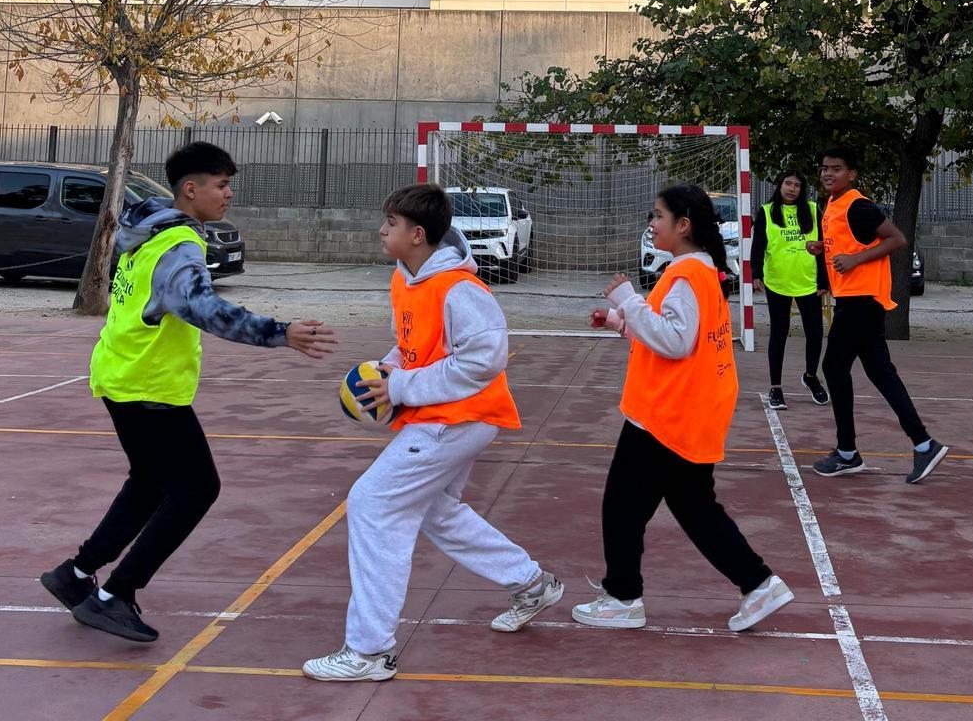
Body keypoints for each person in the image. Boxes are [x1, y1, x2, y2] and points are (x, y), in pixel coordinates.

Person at [39, 142, 338, 643]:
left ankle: (75, 573)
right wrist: (279, 332)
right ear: (190, 189)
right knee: (197, 489)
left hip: (123, 375)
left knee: (151, 483)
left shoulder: (145, 233)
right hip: (150, 386)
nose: (229, 194)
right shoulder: (179, 244)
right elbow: (202, 307)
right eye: (221, 185)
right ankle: (116, 595)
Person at [302, 184, 562, 683]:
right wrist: (385, 368)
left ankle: (369, 651)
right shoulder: (408, 279)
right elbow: (414, 347)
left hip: (459, 419)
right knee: (436, 511)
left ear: (418, 235)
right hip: (445, 417)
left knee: (373, 504)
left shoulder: (460, 289)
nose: (382, 230)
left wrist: (401, 385)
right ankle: (529, 583)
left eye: (391, 224)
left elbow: (484, 359)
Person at [572, 184, 793, 632]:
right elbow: (672, 334)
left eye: (658, 216)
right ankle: (757, 583)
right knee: (695, 507)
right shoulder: (699, 272)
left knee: (622, 506)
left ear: (684, 225)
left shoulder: (686, 276)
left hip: (663, 415)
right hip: (688, 410)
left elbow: (674, 341)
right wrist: (621, 321)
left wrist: (629, 301)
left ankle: (622, 597)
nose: (652, 224)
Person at [807, 146, 948, 484]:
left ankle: (847, 452)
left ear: (851, 174)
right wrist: (823, 249)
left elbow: (896, 239)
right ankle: (923, 443)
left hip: (861, 300)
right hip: (855, 300)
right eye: (825, 168)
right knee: (880, 373)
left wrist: (856, 261)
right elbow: (850, 243)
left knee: (834, 367)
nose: (828, 173)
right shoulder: (832, 205)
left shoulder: (858, 204)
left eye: (836, 168)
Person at [750, 170, 830, 410]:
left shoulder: (814, 210)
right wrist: (756, 274)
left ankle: (810, 376)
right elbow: (758, 246)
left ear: (802, 189)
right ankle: (776, 387)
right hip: (778, 283)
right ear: (780, 185)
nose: (792, 188)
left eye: (797, 185)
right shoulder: (766, 211)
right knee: (779, 334)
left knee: (815, 333)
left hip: (808, 283)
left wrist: (825, 281)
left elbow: (824, 247)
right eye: (788, 183)